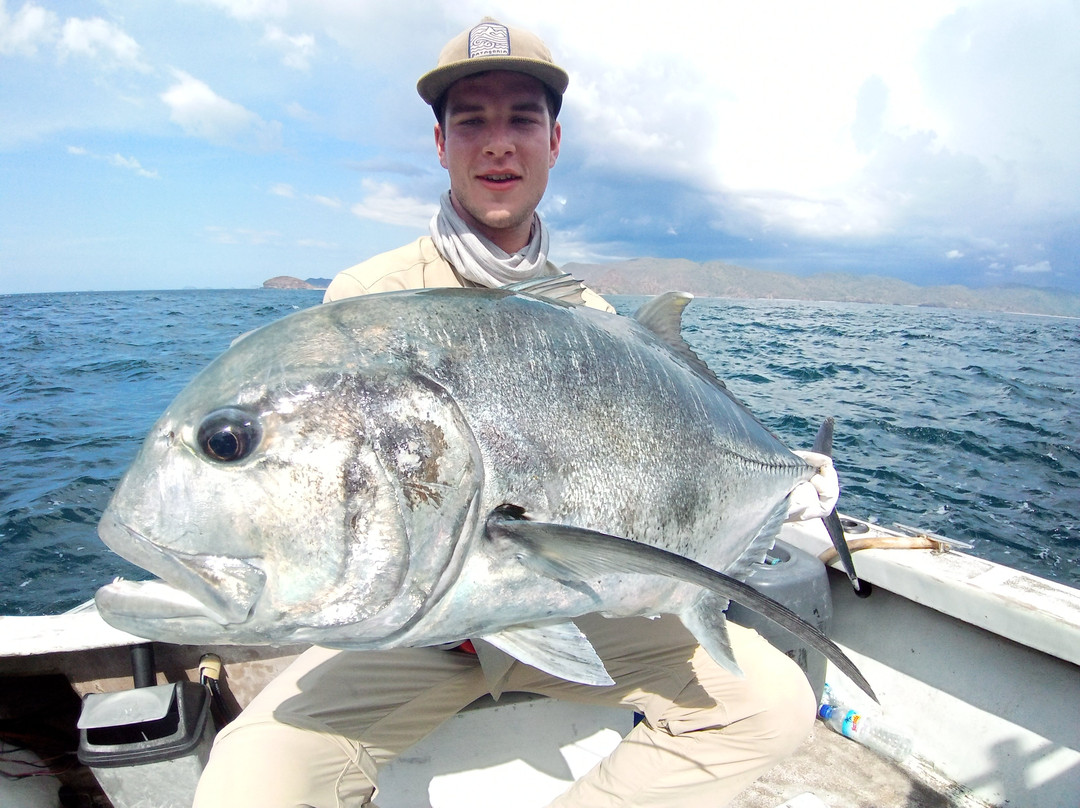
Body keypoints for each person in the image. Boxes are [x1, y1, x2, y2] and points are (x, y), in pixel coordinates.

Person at [194, 18, 822, 807]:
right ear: (440, 143)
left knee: (773, 707)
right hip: (420, 632)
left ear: (553, 143)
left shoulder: (597, 321)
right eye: (472, 121)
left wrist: (785, 477)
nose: (499, 143)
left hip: (576, 605)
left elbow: (655, 475)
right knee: (251, 783)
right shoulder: (365, 304)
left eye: (522, 119)